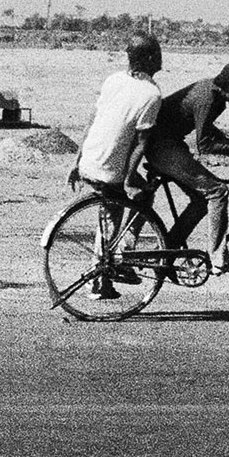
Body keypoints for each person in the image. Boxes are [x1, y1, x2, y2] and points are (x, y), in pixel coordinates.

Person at [145, 57, 229, 270]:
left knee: (200, 201)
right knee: (218, 191)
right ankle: (219, 258)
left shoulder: (213, 93)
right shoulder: (207, 98)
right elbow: (205, 145)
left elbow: (205, 128)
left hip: (169, 145)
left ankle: (165, 252)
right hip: (162, 148)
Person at [73, 33, 163, 294]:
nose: (160, 58)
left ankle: (100, 282)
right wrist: (129, 178)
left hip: (89, 160)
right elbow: (141, 144)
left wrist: (76, 160)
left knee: (108, 219)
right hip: (110, 169)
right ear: (147, 58)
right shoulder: (151, 94)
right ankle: (123, 256)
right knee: (144, 198)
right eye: (157, 53)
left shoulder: (113, 80)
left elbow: (93, 120)